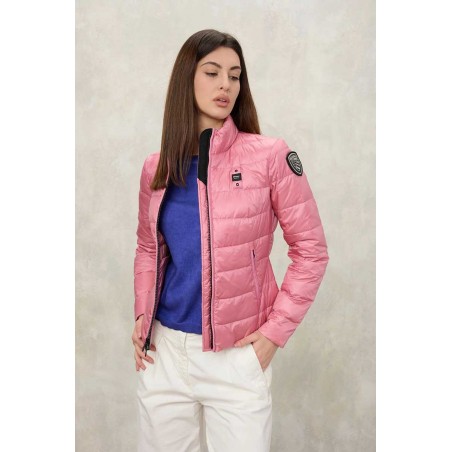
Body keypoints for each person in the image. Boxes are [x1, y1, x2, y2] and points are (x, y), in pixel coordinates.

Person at [131, 29, 329, 452]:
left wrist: (274, 333)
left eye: (235, 76)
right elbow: (148, 248)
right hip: (164, 352)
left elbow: (311, 251)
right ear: (186, 78)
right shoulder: (156, 167)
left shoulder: (269, 156)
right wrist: (142, 317)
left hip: (237, 355)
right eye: (213, 72)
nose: (226, 85)